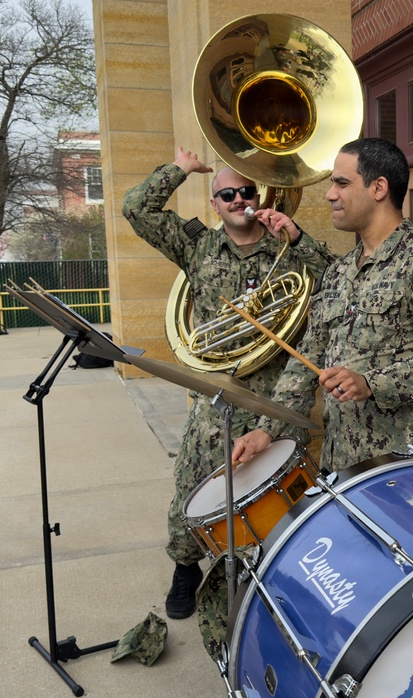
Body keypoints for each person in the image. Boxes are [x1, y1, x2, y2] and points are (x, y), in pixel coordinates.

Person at [122, 146, 334, 620]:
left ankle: (279, 573)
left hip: (276, 397)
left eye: (246, 191)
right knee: (191, 485)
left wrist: (297, 237)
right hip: (216, 394)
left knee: (281, 494)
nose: (239, 200)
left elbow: (338, 280)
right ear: (215, 204)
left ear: (259, 196)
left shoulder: (289, 246)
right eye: (228, 194)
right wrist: (180, 168)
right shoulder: (197, 246)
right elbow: (135, 209)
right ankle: (185, 565)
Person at [231, 137, 413, 473]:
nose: (330, 194)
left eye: (341, 183)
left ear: (378, 188)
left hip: (399, 468)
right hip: (337, 465)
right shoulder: (338, 272)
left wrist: (371, 382)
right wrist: (266, 428)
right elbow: (307, 360)